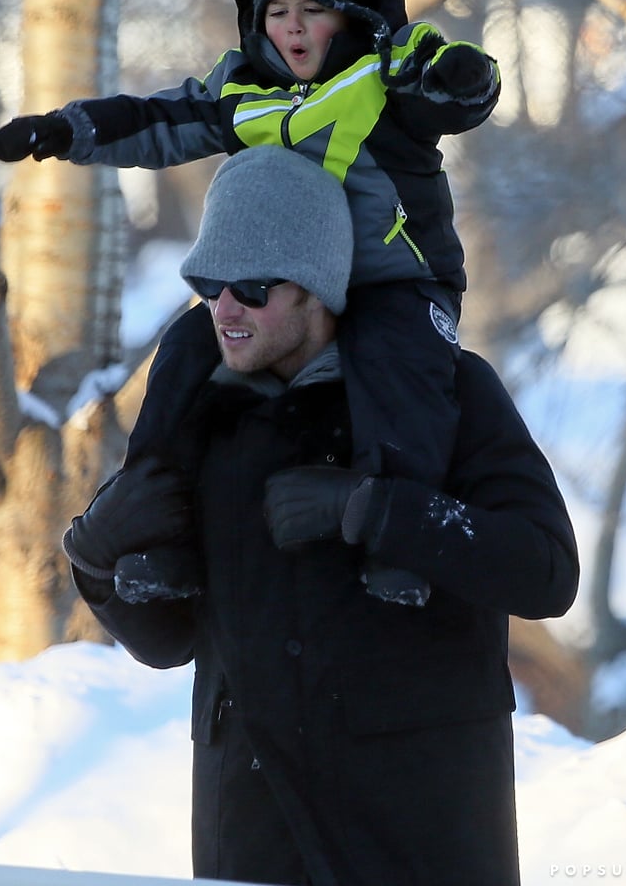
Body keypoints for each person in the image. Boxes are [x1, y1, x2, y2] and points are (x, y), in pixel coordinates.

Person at [63, 146, 579, 886]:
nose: (225, 308)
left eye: (252, 286)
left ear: (316, 290)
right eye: (210, 284)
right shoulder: (197, 417)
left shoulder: (445, 395)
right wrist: (95, 561)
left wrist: (377, 510)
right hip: (251, 833)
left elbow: (545, 571)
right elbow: (168, 642)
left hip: (416, 834)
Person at [0, 0, 501, 605]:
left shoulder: (387, 78)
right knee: (183, 355)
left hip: (396, 281)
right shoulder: (242, 91)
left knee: (398, 366)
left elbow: (458, 92)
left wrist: (465, 78)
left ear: (353, 14)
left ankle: (398, 538)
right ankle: (157, 534)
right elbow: (158, 121)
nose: (293, 31)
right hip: (278, 287)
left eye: (314, 11)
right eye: (278, 12)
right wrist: (66, 131)